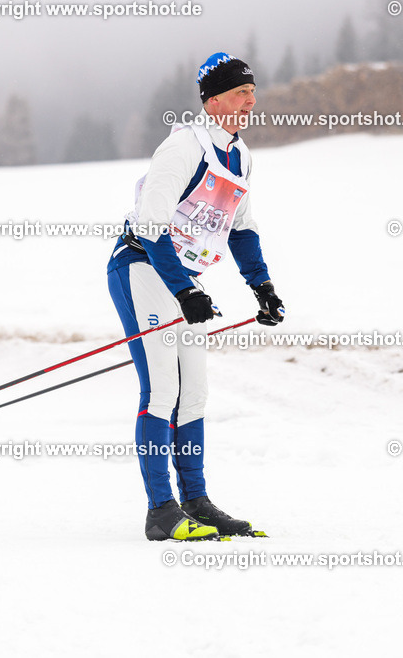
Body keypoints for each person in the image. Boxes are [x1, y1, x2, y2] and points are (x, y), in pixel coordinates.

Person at [106, 52, 285, 541]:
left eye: (252, 91)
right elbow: (150, 225)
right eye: (240, 92)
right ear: (212, 100)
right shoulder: (184, 147)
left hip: (181, 280)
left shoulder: (241, 156)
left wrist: (262, 286)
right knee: (163, 388)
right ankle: (161, 512)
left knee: (196, 392)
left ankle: (196, 501)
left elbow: (241, 228)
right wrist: (184, 289)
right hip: (141, 265)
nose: (251, 100)